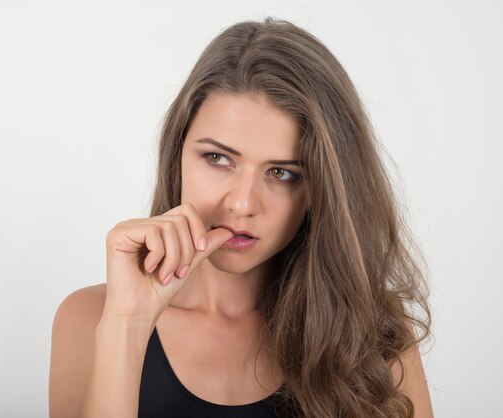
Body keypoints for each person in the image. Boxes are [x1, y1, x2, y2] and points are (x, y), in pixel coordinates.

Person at [49, 17, 434, 418]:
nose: (242, 204)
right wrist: (126, 325)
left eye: (282, 173)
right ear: (177, 155)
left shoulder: (372, 333)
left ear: (323, 190)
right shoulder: (90, 318)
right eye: (218, 158)